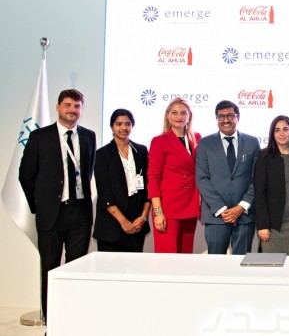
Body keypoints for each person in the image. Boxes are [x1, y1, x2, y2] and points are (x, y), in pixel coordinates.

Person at [19, 89, 96, 319]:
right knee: (50, 268)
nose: (72, 110)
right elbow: (26, 175)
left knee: (76, 268)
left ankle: (72, 317)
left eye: (77, 106)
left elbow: (88, 170)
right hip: (51, 214)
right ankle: (51, 319)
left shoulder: (88, 136)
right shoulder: (39, 137)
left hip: (80, 213)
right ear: (58, 107)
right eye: (68, 105)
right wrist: (40, 205)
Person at [196, 100, 259, 255]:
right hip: (216, 215)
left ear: (238, 117)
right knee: (215, 263)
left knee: (241, 262)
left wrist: (241, 206)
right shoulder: (205, 143)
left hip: (244, 215)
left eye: (230, 115)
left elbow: (257, 178)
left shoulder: (252, 142)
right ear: (216, 119)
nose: (226, 120)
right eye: (221, 116)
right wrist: (222, 209)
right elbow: (202, 179)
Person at [147, 97, 201, 253]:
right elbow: (153, 177)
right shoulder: (159, 141)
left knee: (186, 253)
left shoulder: (197, 138)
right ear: (167, 115)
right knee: (167, 255)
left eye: (183, 113)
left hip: (190, 203)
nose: (179, 117)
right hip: (168, 206)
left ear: (189, 116)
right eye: (175, 113)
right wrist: (158, 212)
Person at [93, 109, 150, 252]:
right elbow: (104, 192)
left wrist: (143, 217)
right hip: (111, 224)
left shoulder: (141, 151)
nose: (123, 128)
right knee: (109, 266)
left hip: (137, 222)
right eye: (119, 124)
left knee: (134, 265)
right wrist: (124, 222)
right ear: (112, 126)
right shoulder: (102, 154)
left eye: (127, 124)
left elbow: (148, 187)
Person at [254, 115, 289, 255]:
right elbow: (259, 194)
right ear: (272, 134)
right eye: (277, 130)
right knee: (270, 265)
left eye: (285, 129)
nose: (281, 133)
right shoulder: (264, 156)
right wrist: (262, 225)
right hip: (272, 226)